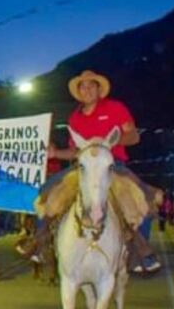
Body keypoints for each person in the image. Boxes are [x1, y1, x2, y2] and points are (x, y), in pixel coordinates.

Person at [19, 70, 159, 272]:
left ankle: (141, 254)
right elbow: (75, 151)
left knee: (145, 198)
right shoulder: (74, 118)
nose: (87, 89)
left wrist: (106, 143)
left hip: (113, 165)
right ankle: (39, 244)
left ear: (99, 89)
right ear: (78, 92)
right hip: (82, 168)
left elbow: (134, 137)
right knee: (46, 192)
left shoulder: (115, 107)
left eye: (91, 85)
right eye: (82, 86)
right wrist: (55, 153)